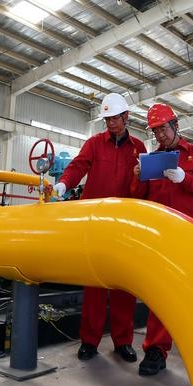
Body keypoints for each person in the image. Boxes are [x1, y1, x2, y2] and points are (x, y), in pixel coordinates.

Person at [52, 92, 147, 363]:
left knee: (122, 287)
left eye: (115, 119)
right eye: (107, 120)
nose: (111, 124)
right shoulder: (94, 144)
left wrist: (141, 179)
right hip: (93, 223)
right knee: (93, 285)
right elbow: (78, 166)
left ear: (126, 117)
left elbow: (143, 187)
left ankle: (123, 342)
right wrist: (63, 184)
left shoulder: (138, 147)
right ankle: (89, 342)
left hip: (124, 225)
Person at [131, 103, 193, 376]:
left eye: (163, 129)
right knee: (163, 293)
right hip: (162, 236)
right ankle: (156, 349)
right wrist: (138, 177)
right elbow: (139, 197)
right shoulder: (152, 160)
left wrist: (184, 178)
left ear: (176, 125)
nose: (160, 136)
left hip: (192, 234)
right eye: (155, 131)